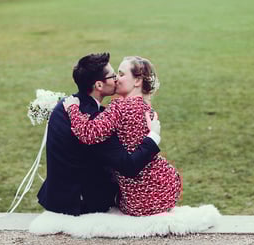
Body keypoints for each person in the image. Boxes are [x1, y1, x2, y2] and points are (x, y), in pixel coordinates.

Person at [37, 53, 162, 216]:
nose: (117, 79)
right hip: (80, 203)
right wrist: (153, 137)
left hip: (56, 195)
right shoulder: (95, 122)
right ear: (99, 85)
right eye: (113, 76)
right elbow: (129, 167)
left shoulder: (67, 103)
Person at [63, 56, 182, 216]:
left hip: (139, 199)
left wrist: (72, 108)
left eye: (121, 74)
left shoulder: (120, 107)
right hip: (166, 189)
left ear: (137, 81)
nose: (116, 79)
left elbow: (88, 133)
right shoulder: (148, 109)